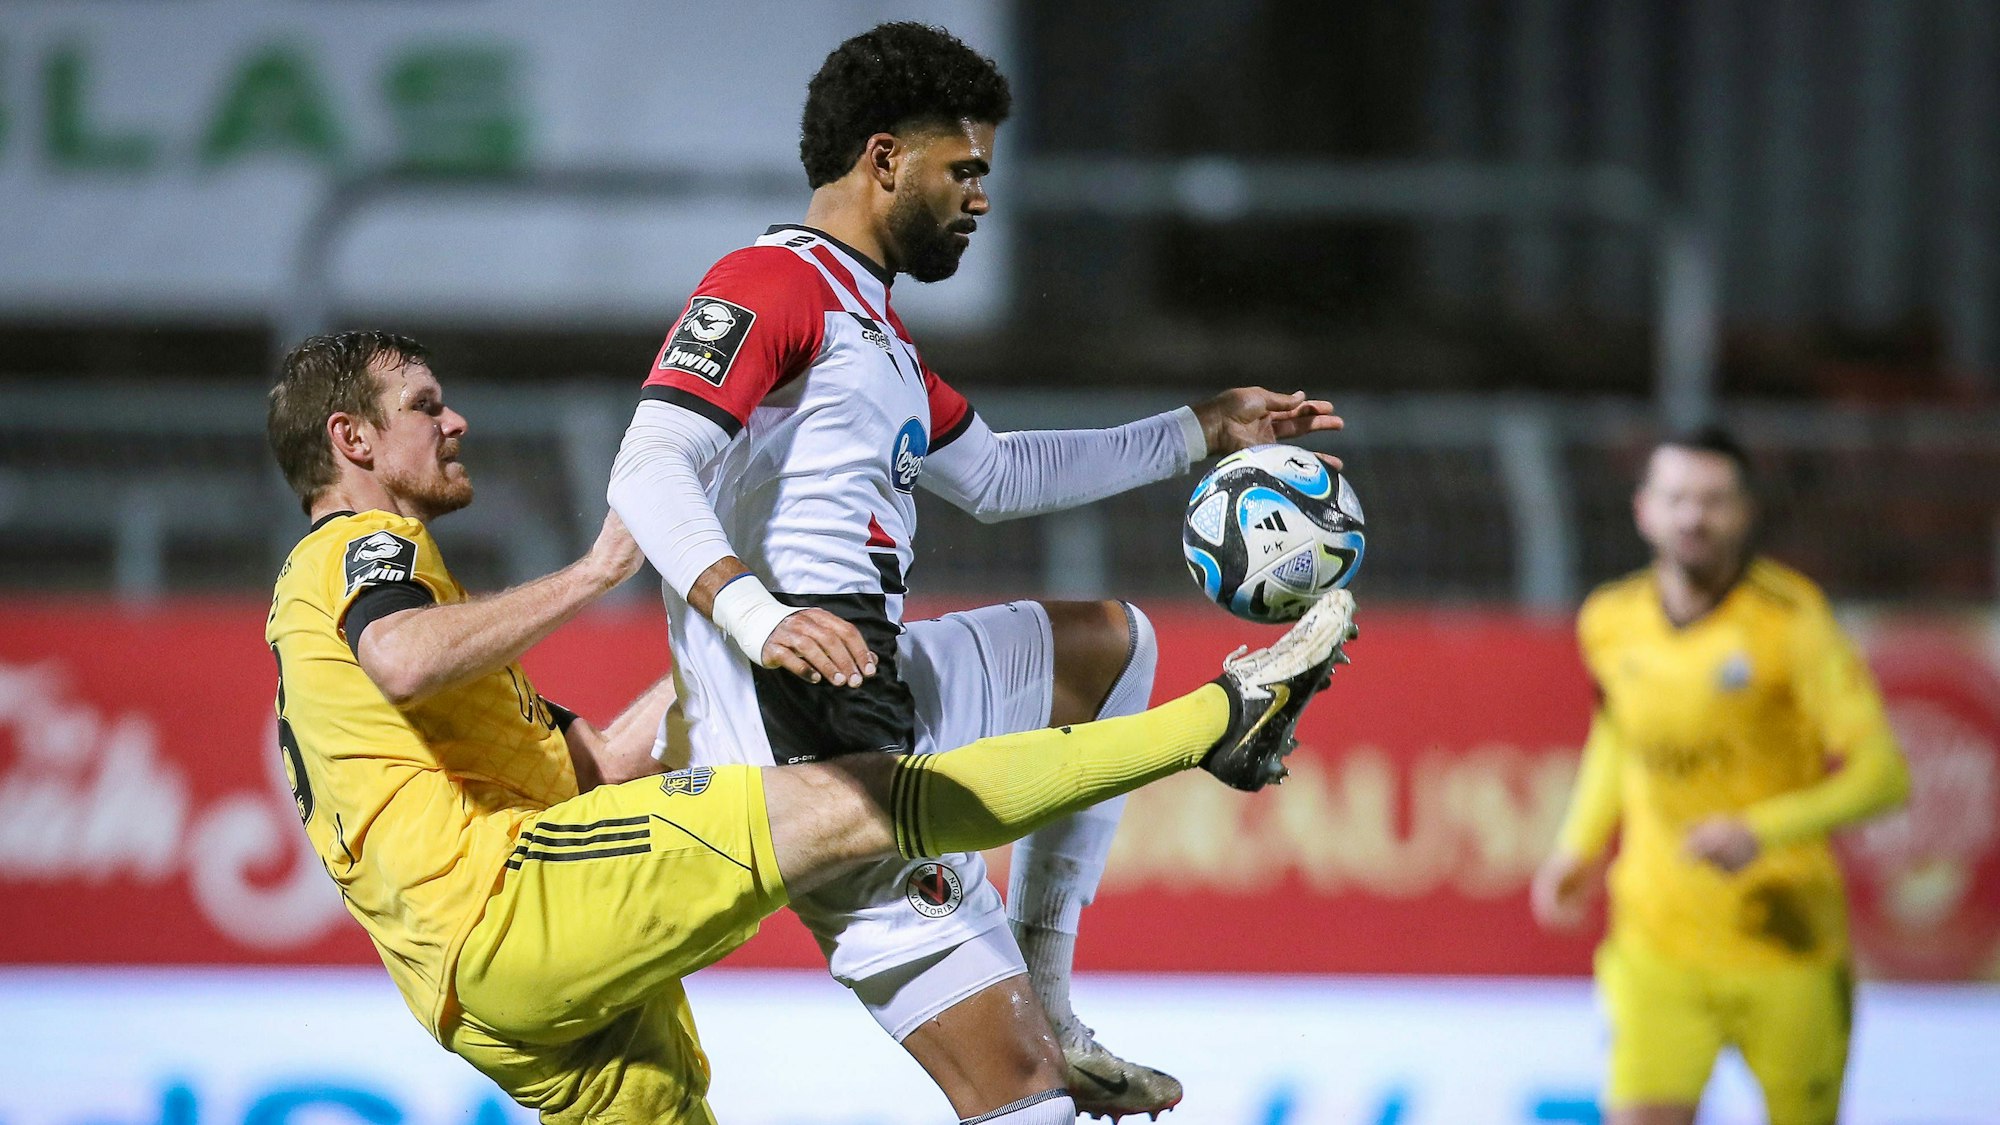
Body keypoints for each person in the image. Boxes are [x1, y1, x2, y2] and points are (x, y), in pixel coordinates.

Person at [264, 330, 1360, 1125]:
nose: (454, 419)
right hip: (510, 912)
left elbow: (590, 764)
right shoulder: (355, 556)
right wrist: (606, 565)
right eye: (423, 404)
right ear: (350, 437)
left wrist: (733, 653)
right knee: (860, 798)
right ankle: (1220, 721)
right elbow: (400, 658)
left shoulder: (385, 625)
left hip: (493, 1003)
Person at [608, 23, 1342, 1121]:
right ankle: (1044, 1024)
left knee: (1109, 647)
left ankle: (1050, 996)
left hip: (874, 673)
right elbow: (648, 461)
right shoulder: (769, 285)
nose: (979, 196)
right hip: (809, 738)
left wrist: (1205, 427)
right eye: (964, 169)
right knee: (1023, 1098)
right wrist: (756, 616)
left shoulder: (877, 334)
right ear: (883, 159)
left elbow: (997, 473)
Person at [1531, 427, 1911, 1125]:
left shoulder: (1793, 621)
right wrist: (1578, 844)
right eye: (1676, 498)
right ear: (1645, 509)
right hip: (1657, 939)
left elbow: (1885, 775)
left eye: (1713, 500)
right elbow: (1617, 735)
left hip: (1786, 941)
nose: (1692, 517)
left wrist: (1761, 830)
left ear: (1744, 512)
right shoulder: (1611, 621)